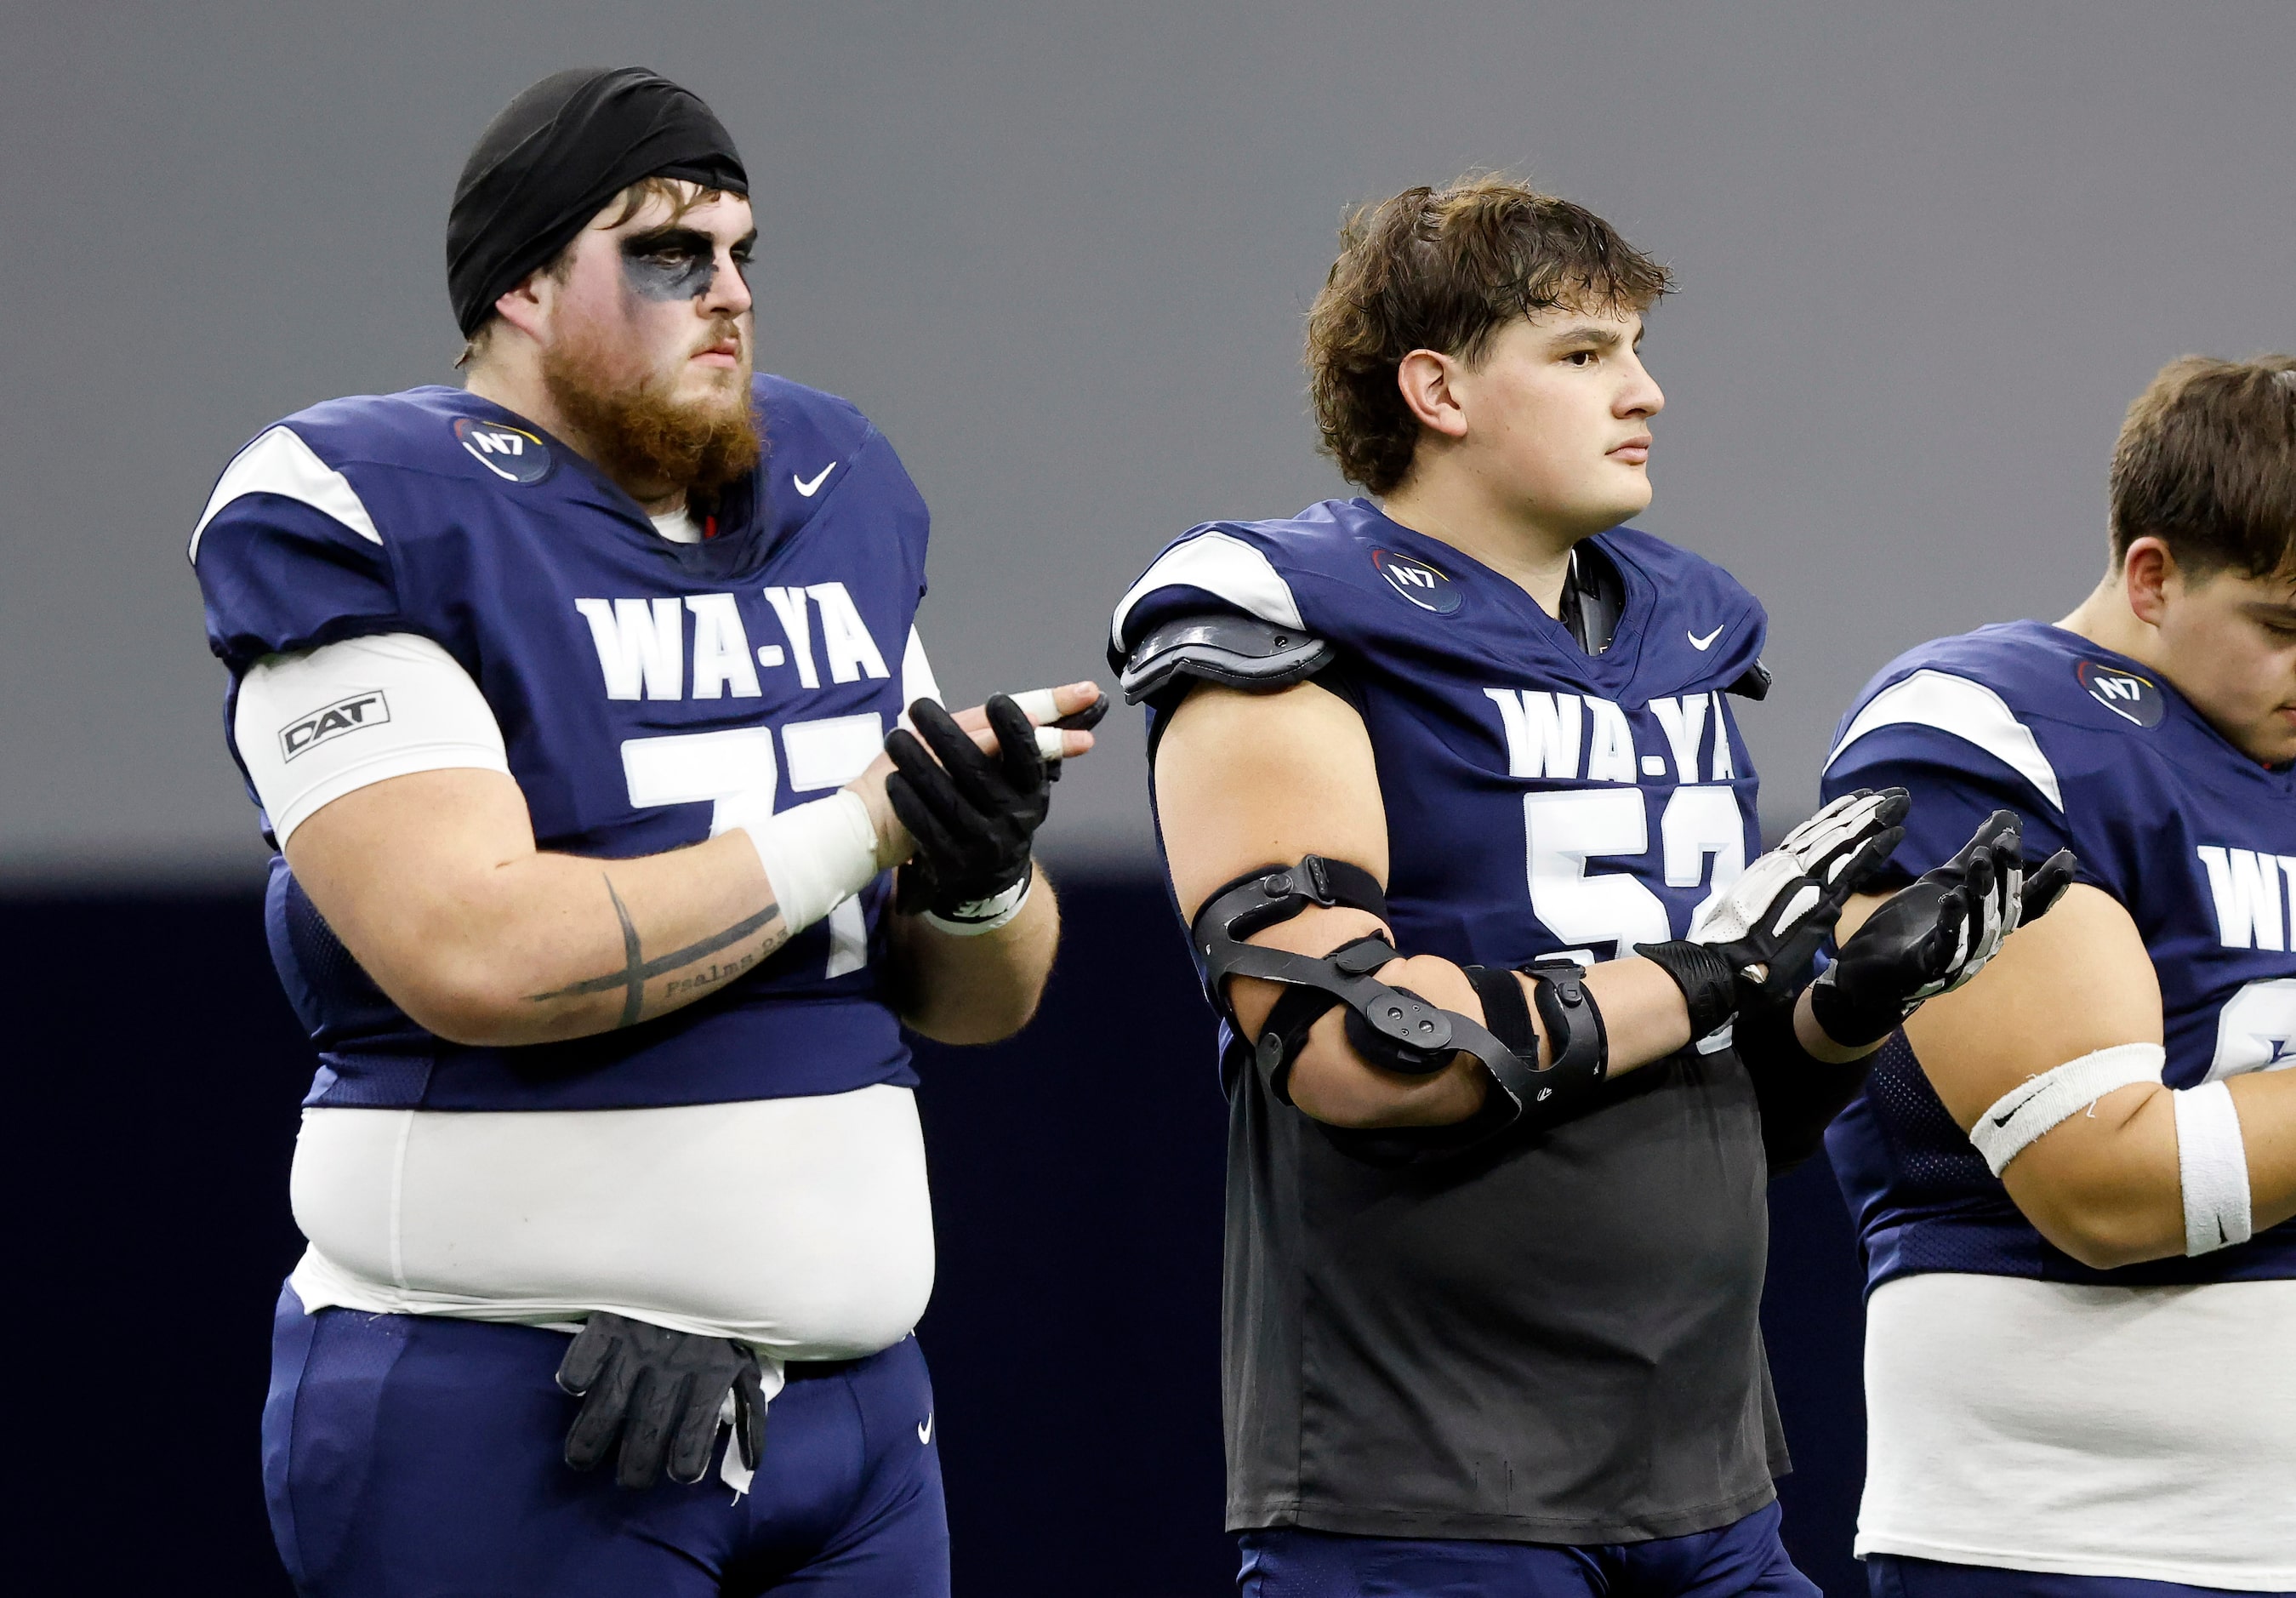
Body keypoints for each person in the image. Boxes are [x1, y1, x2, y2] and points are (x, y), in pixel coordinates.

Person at [189, 67, 1102, 1598]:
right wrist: (858, 829)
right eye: (669, 252)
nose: (729, 293)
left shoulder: (830, 488)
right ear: (526, 286)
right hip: (524, 1403)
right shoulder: (370, 502)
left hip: (859, 1411)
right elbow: (475, 953)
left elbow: (987, 999)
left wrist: (981, 865)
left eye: (743, 253)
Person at [1107, 174, 2065, 1598]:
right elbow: (1357, 1047)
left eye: (1634, 348)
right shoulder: (1287, 625)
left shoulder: (1680, 635)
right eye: (1582, 354)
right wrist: (1713, 971)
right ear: (1436, 387)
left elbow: (1721, 1101)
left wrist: (1839, 1012)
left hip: (1709, 1479)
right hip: (1427, 1490)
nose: (1646, 392)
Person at [1820, 354, 2296, 1597]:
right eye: (2285, 627)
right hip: (2072, 1530)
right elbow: (2107, 1184)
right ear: (2153, 574)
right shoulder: (1992, 731)